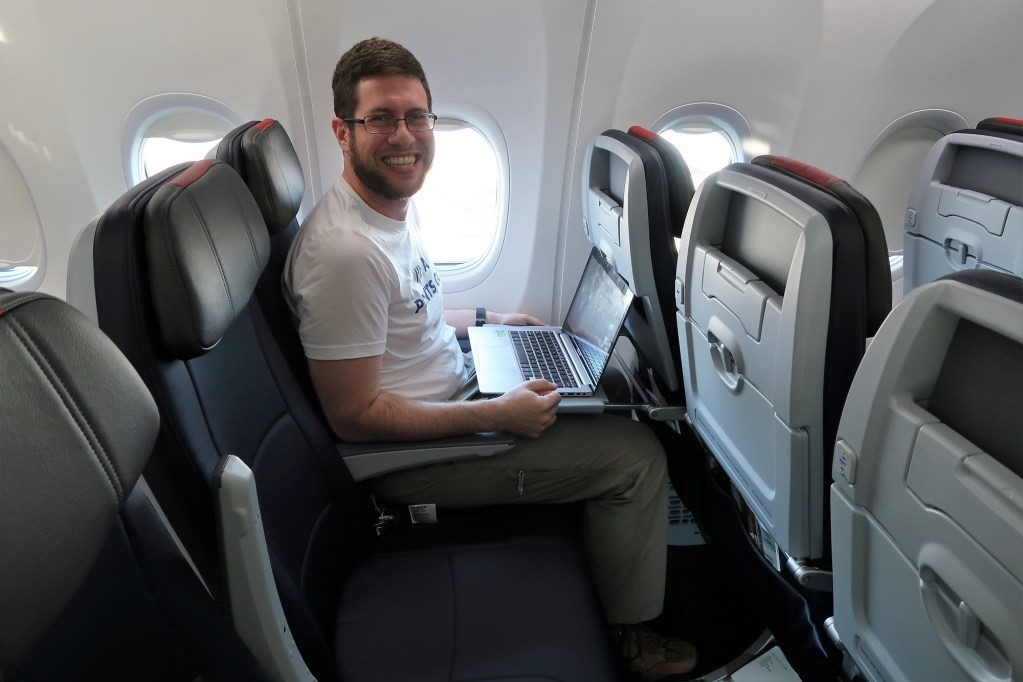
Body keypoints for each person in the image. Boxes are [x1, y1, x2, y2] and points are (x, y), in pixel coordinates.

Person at [283, 36, 696, 678]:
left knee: (607, 393)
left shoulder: (387, 211)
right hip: (421, 457)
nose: (404, 136)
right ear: (343, 132)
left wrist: (489, 321)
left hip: (457, 395)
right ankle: (632, 638)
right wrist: (499, 416)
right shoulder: (344, 255)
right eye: (380, 119)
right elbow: (354, 416)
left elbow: (410, 315)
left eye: (416, 116)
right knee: (637, 459)